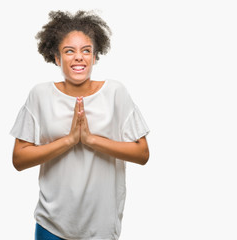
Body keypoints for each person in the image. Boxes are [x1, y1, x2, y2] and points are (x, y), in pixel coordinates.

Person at [10, 10, 150, 240]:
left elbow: (142, 153)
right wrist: (69, 140)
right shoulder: (40, 95)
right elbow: (19, 159)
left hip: (101, 228)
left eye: (86, 50)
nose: (79, 57)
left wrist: (91, 140)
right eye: (69, 51)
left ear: (95, 57)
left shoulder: (116, 92)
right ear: (57, 58)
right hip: (52, 224)